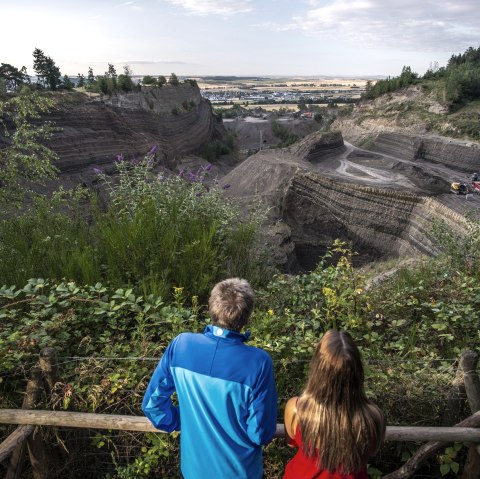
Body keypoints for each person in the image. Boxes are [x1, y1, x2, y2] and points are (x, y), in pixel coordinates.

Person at [142, 278, 278, 479]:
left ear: (211, 308)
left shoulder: (181, 346)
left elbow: (153, 406)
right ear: (247, 317)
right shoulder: (259, 362)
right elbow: (260, 433)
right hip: (240, 473)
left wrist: (184, 420)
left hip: (193, 472)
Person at [283, 329, 385, 479]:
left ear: (317, 368)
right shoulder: (372, 417)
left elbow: (291, 443)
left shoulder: (297, 408)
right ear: (357, 370)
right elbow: (370, 451)